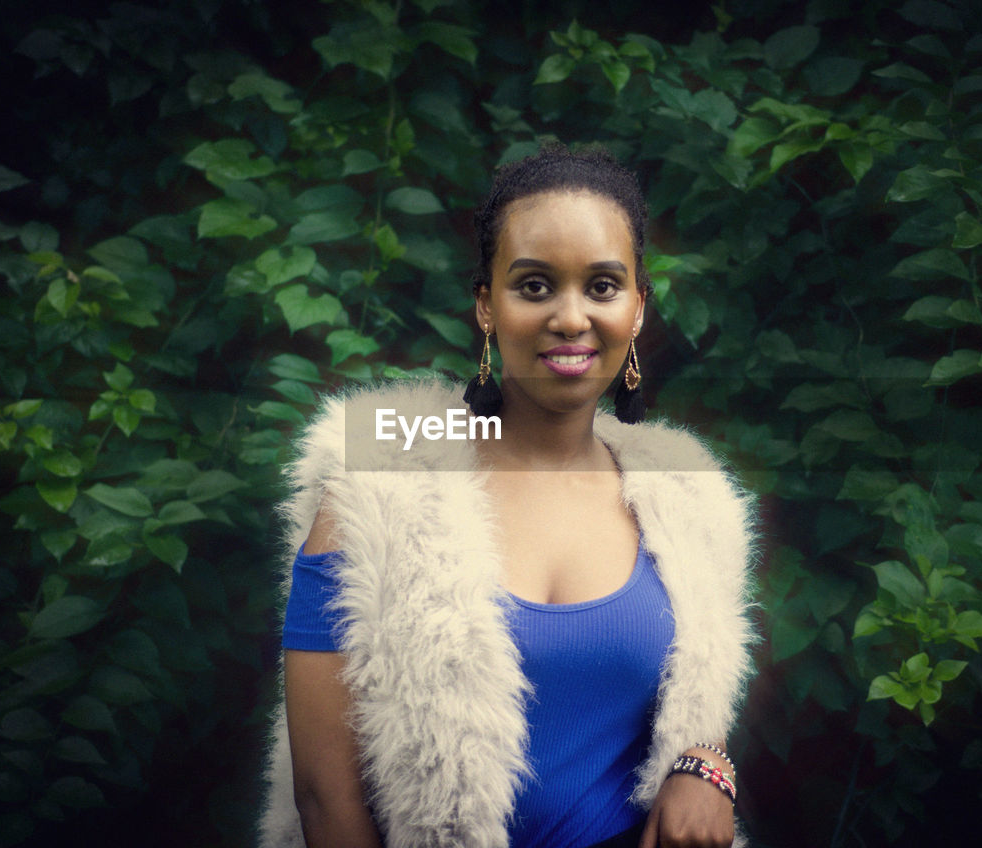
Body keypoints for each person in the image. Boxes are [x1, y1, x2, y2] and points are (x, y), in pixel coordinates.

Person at [258, 145, 757, 848]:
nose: (571, 317)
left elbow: (698, 710)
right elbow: (323, 799)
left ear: (639, 308)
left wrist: (707, 769)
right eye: (534, 286)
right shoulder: (379, 490)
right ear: (486, 306)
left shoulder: (688, 500)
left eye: (603, 286)